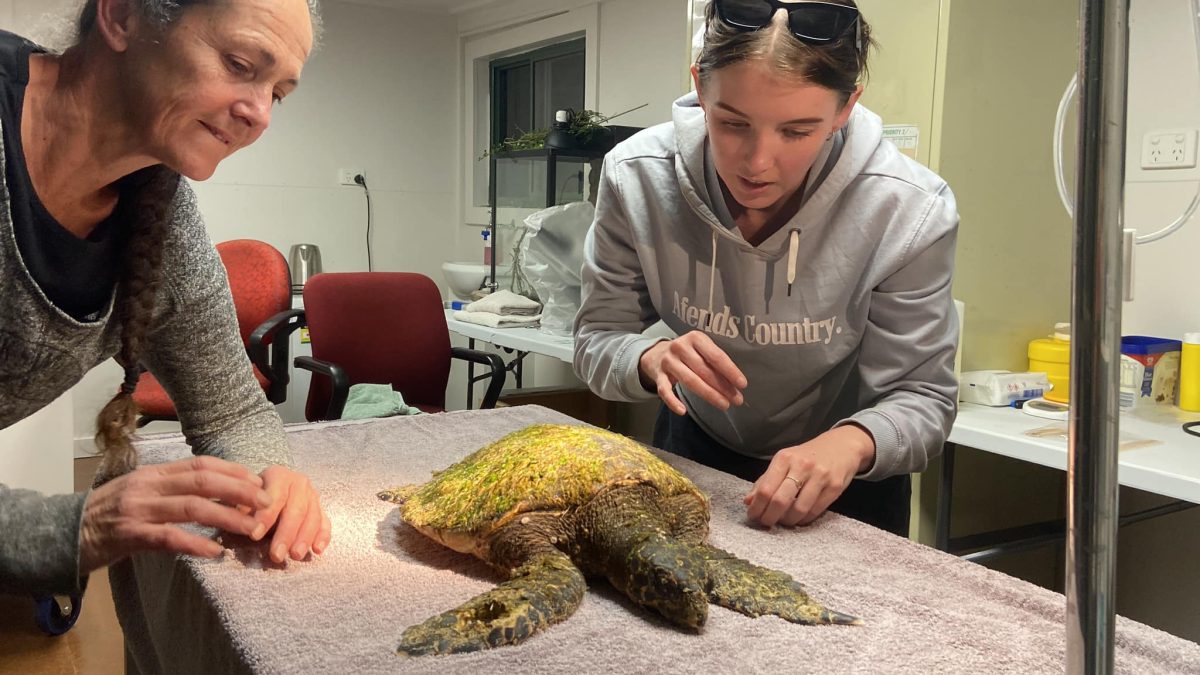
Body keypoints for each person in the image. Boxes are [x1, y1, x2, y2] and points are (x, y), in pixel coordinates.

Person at [574, 0, 959, 537]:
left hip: (846, 481)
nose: (757, 163)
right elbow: (596, 338)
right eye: (732, 123)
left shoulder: (909, 209)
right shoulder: (636, 176)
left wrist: (850, 444)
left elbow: (924, 398)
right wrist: (649, 357)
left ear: (846, 109)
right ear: (700, 89)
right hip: (695, 452)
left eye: (797, 132)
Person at [0, 0, 331, 598]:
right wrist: (74, 527)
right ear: (123, 16)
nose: (258, 115)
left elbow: (232, 411)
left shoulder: (162, 223)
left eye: (277, 93)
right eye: (238, 63)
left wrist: (271, 480)